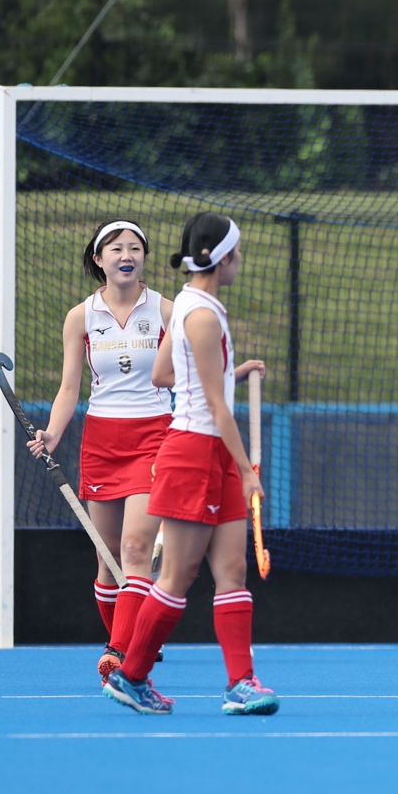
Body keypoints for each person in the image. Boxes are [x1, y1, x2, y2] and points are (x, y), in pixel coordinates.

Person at [101, 213, 277, 716]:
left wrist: (225, 373)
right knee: (177, 576)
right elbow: (215, 407)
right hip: (195, 451)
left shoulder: (190, 306)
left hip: (212, 451)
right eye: (237, 253)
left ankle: (240, 683)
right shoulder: (200, 315)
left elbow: (164, 373)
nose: (240, 261)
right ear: (223, 258)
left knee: (233, 571)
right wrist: (248, 471)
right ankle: (131, 675)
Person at [29, 221, 173, 681]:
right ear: (98, 259)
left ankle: (120, 650)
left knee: (135, 548)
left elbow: (194, 371)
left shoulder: (167, 310)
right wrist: (53, 432)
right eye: (116, 249)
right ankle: (131, 638)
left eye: (134, 248)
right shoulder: (81, 316)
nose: (126, 255)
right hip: (102, 441)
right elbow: (70, 386)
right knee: (107, 558)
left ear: (144, 257)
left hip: (154, 438)